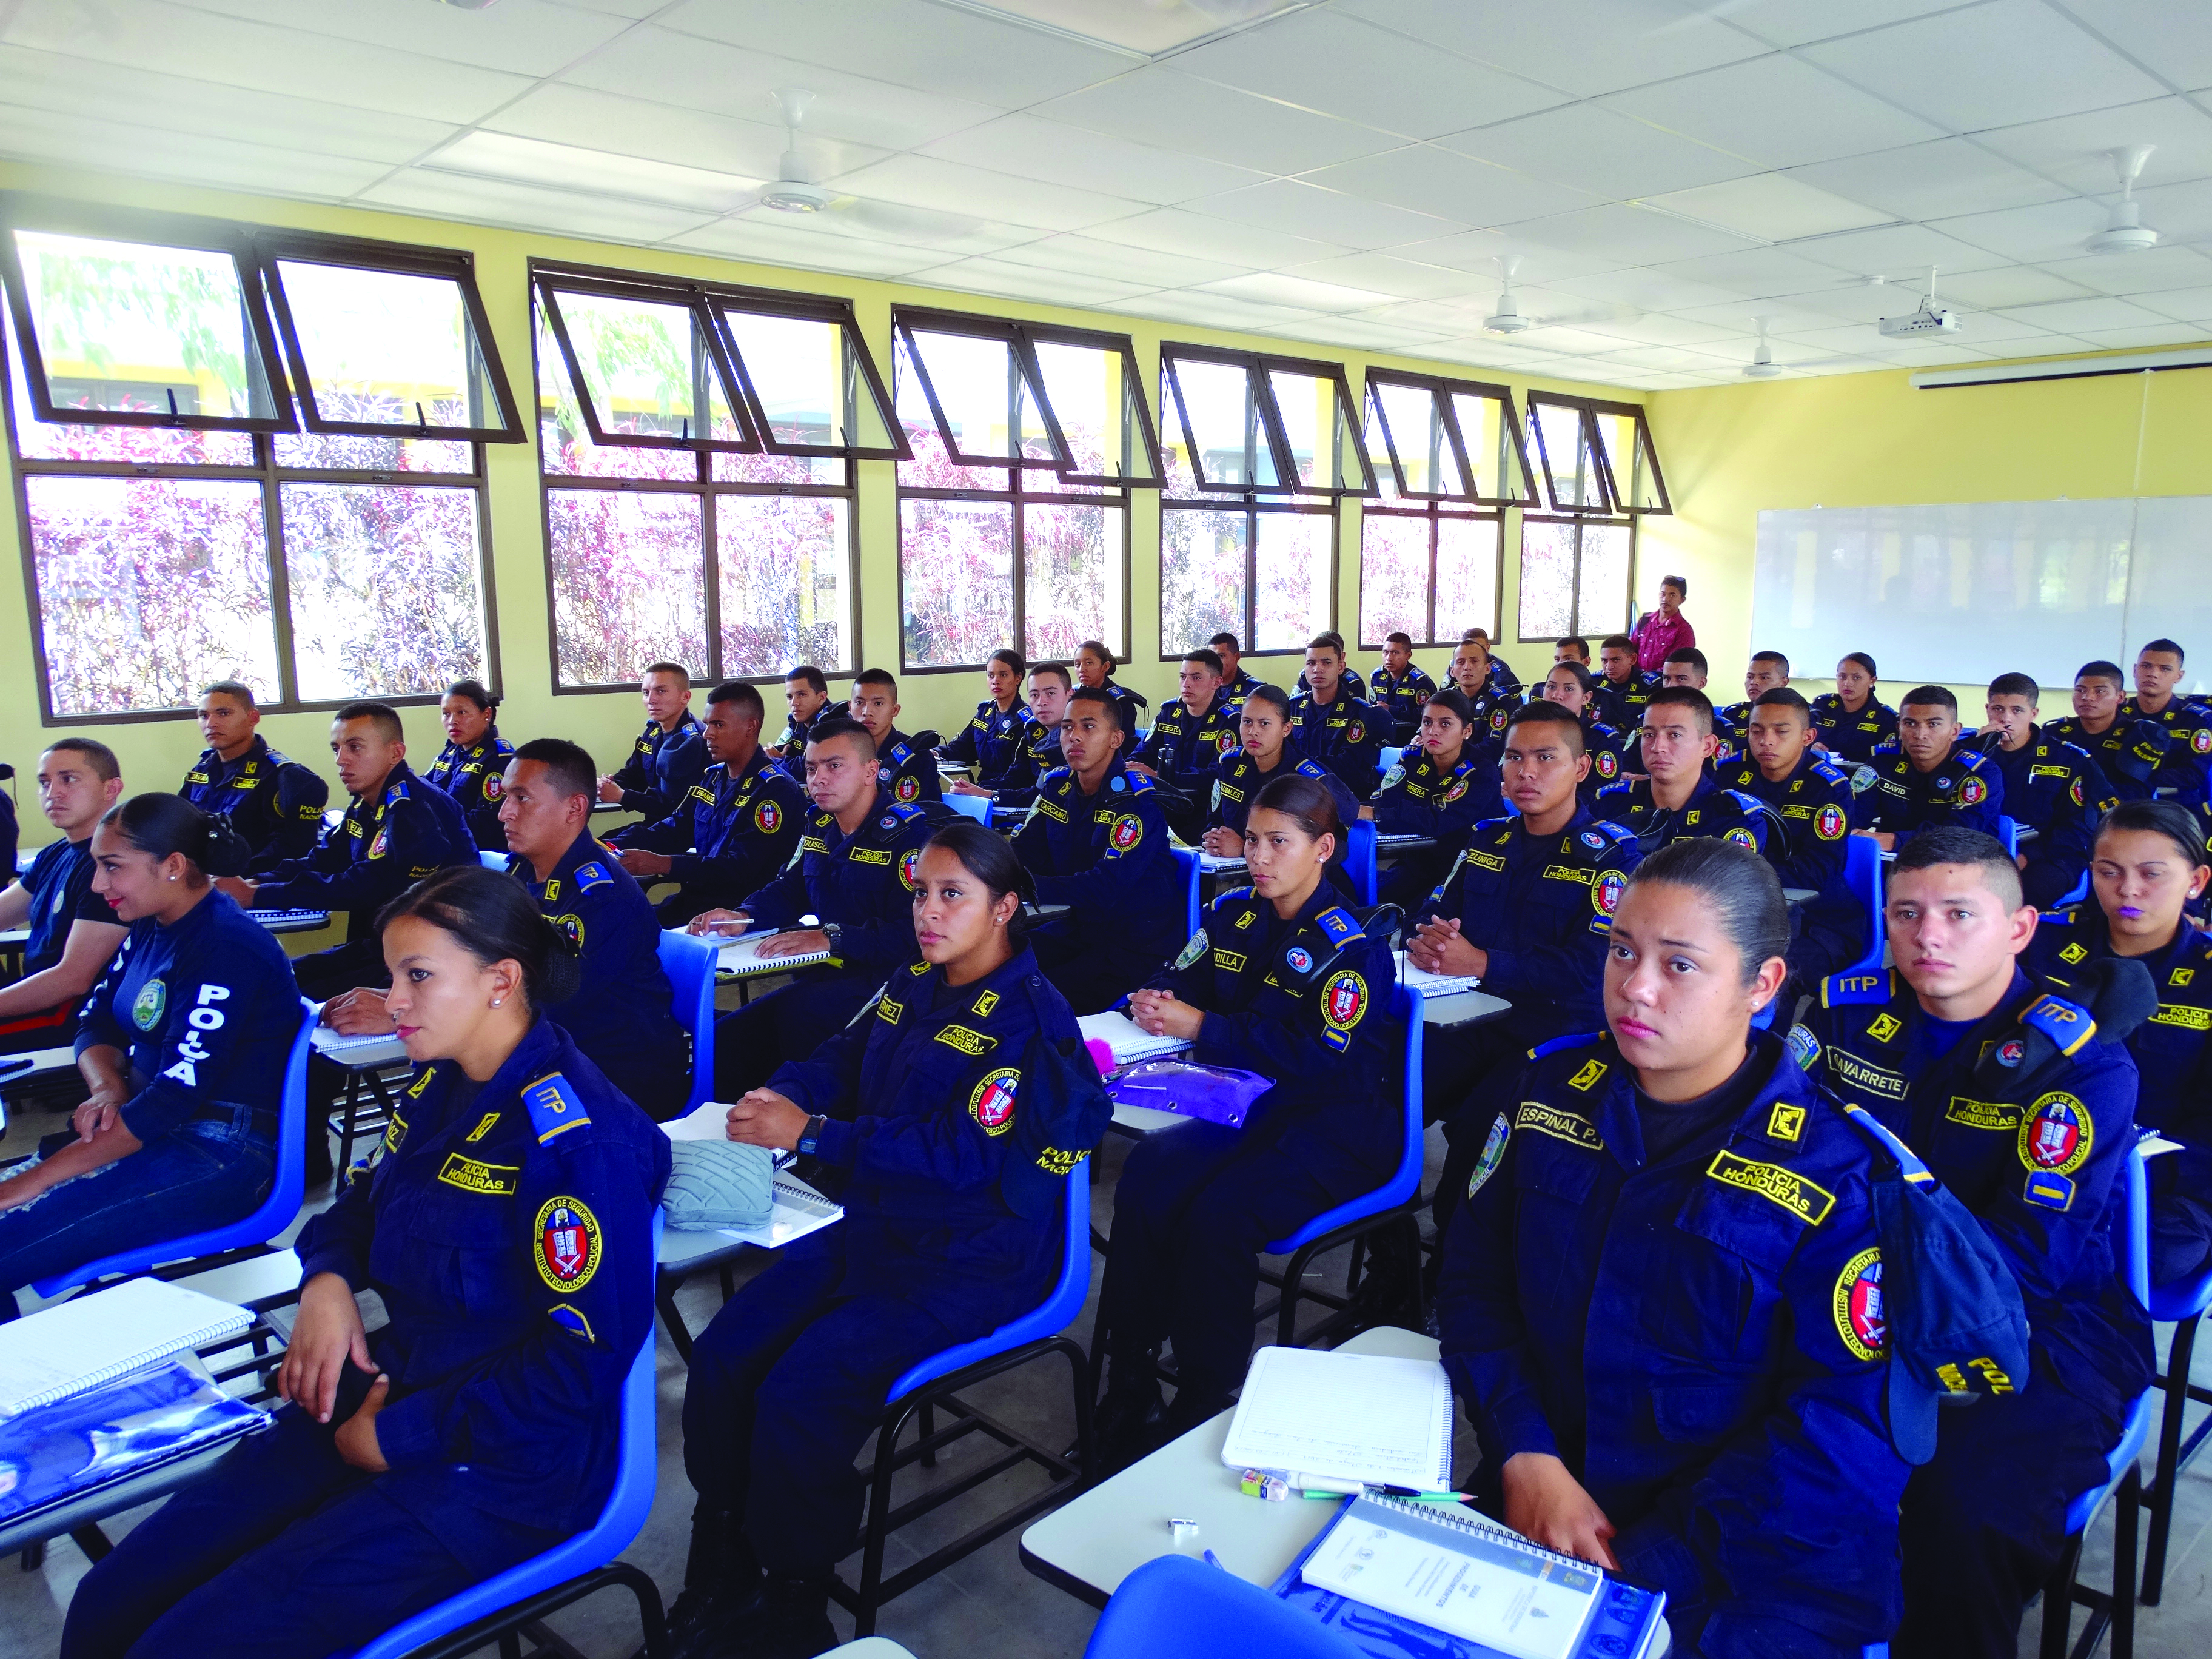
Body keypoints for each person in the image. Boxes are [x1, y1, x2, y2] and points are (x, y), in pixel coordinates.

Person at [63, 865, 669, 1659]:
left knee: (189, 1644)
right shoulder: (438, 1085)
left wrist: (401, 1439)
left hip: (499, 1470)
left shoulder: (579, 1144)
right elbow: (357, 1209)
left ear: (501, 980)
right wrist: (326, 1283)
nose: (396, 1001)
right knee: (110, 1599)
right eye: (393, 976)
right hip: (381, 1389)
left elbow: (580, 1365)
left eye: (418, 976)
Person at [1439, 840, 1906, 1658]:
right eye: (1622, 950)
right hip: (1547, 1497)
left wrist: (1650, 1560)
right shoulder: (1549, 1091)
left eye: (1680, 965)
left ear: (1761, 986)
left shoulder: (1838, 1171)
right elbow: (1474, 1283)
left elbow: (1845, 1426)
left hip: (1750, 1564)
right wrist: (1523, 1450)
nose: (1636, 989)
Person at [669, 823, 1092, 1659]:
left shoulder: (1029, 1024)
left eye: (952, 896)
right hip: (873, 1224)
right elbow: (840, 1054)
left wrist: (816, 1134)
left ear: (1005, 908)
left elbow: (963, 1161)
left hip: (969, 1256)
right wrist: (780, 1095)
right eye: (920, 893)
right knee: (723, 1356)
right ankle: (724, 1551)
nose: (927, 913)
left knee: (800, 1393)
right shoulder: (911, 982)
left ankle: (795, 1596)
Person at [1793, 828, 2153, 1658]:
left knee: (1959, 1515)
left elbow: (2024, 1262)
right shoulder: (1849, 1011)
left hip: (2044, 1326)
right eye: (1907, 913)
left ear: (2020, 929)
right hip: (1847, 1291)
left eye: (1960, 914)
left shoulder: (2080, 1066)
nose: (1929, 937)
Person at [1096, 774, 1402, 1460]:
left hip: (1331, 1127)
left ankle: (1205, 1397)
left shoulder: (1350, 947)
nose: (1259, 857)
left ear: (1323, 848)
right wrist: (1153, 998)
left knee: (1218, 1218)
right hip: (1244, 1106)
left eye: (1278, 843)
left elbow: (1316, 1059)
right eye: (1255, 840)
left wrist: (1204, 1025)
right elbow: (1182, 973)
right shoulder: (1234, 912)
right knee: (1148, 1174)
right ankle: (1133, 1370)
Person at [0, 796, 297, 1316]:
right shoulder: (151, 923)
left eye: (112, 867)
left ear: (174, 866)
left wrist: (29, 1183)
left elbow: (172, 1101)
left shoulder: (225, 945)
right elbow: (94, 1022)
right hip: (149, 1126)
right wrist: (107, 1087)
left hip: (217, 1152)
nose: (97, 884)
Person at [323, 739, 690, 1122]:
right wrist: (408, 992)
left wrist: (407, 1011)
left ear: (575, 808)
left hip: (610, 1075)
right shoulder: (520, 872)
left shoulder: (602, 896)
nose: (504, 813)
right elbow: (475, 966)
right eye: (505, 797)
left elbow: (542, 1004)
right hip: (543, 1055)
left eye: (522, 798)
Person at [1410, 703, 1641, 1227]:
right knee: (1382, 1095)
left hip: (1555, 1034)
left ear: (1581, 769)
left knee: (1477, 1131)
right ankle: (1390, 1258)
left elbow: (1589, 968)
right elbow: (1431, 911)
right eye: (1514, 758)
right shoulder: (1488, 838)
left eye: (1545, 757)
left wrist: (1483, 962)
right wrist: (1430, 941)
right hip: (1467, 1020)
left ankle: (1449, 1276)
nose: (1526, 773)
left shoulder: (1612, 857)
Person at [691, 719, 944, 1099]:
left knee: (799, 1014)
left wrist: (832, 938)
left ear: (870, 772)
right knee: (728, 1037)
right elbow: (791, 889)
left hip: (896, 980)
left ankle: (811, 1125)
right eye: (811, 768)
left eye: (834, 766)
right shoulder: (819, 824)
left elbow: (913, 938)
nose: (818, 779)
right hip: (829, 972)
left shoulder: (911, 838)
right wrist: (743, 915)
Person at [2028, 801, 2212, 1282]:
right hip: (2034, 1151)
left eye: (2152, 874)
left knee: (2141, 1258)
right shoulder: (2041, 946)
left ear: (2196, 882)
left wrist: (2118, 1171)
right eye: (2109, 872)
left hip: (2157, 1179)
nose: (2128, 890)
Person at [218, 702, 474, 1002]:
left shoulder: (412, 807)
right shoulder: (366, 802)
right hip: (381, 945)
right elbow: (324, 860)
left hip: (428, 958)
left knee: (279, 997)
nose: (342, 760)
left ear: (395, 753)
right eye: (336, 749)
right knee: (274, 975)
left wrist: (257, 896)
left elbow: (364, 885)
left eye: (355, 747)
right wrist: (255, 882)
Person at [1011, 686, 1182, 1015]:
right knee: (997, 958)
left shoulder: (1137, 802)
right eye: (1067, 727)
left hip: (1134, 945)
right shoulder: (1057, 786)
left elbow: (1104, 888)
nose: (1074, 737)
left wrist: (1025, 886)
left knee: (1029, 995)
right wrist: (985, 870)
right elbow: (1022, 851)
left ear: (1115, 739)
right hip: (1080, 930)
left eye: (1088, 727)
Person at [609, 682, 806, 925]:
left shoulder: (775, 790)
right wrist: (610, 846)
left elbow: (738, 868)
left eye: (719, 725)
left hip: (738, 914)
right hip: (695, 902)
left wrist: (662, 863)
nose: (707, 734)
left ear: (751, 726)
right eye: (708, 723)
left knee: (632, 939)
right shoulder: (712, 777)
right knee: (614, 923)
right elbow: (674, 829)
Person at [1717, 689, 1866, 990]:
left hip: (1818, 921)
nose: (1766, 740)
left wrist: (1742, 875)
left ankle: (1767, 1040)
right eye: (1756, 731)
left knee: (1771, 981)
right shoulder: (1730, 772)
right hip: (1743, 912)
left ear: (1807, 736)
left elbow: (1819, 871)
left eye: (1781, 732)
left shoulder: (1829, 787)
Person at [0, 741, 127, 1057]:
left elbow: (73, 980)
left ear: (111, 788)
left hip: (77, 1016)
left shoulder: (113, 864)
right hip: (41, 996)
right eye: (44, 782)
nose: (52, 792)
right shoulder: (58, 851)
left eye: (68, 779)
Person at [1974, 672, 2117, 907]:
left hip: (2050, 856)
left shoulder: (2067, 759)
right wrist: (1978, 753)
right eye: (1998, 709)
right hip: (1981, 853)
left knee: (2017, 897)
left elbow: (2078, 827)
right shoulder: (1969, 755)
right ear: (1988, 709)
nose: (2006, 719)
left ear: (2034, 714)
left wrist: (2027, 856)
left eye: (2017, 710)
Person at [1595, 687, 1777, 857]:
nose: (1658, 748)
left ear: (1707, 746)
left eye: (1675, 735)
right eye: (1649, 735)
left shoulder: (1736, 820)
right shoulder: (1610, 805)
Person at [1367, 688, 1501, 905]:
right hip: (1420, 861)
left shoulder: (1481, 772)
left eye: (1445, 724)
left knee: (1418, 920)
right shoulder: (1413, 757)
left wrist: (1374, 814)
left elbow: (1438, 820)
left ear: (1466, 731)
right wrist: (1377, 811)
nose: (1433, 732)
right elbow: (1386, 798)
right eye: (1427, 723)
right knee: (1367, 902)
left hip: (1465, 869)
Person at [178, 680, 327, 870]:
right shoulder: (200, 770)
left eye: (223, 713)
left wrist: (235, 877)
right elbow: (179, 829)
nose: (211, 723)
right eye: (203, 715)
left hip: (254, 886)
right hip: (199, 881)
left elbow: (293, 850)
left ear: (253, 718)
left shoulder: (285, 777)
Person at [1202, 685, 1356, 853]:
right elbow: (1214, 820)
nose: (1253, 732)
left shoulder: (1306, 777)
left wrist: (1246, 849)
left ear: (1286, 729)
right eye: (1247, 722)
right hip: (1231, 870)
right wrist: (1214, 840)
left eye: (1264, 724)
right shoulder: (1230, 764)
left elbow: (1337, 842)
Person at [1859, 686, 2004, 850]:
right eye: (1910, 723)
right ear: (1899, 728)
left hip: (1960, 867)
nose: (1920, 735)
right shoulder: (1882, 761)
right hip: (1890, 864)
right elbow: (1853, 813)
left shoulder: (1980, 773)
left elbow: (1959, 837)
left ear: (1955, 731)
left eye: (1933, 724)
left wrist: (1893, 840)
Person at [1132, 648, 1238, 839]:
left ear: (1217, 682)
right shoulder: (1169, 712)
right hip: (1163, 802)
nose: (1186, 684)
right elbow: (1142, 753)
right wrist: (1130, 767)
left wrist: (1163, 777)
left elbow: (1217, 775)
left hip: (1201, 811)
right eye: (1183, 677)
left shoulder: (1229, 721)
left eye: (1196, 678)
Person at [2045, 659, 2169, 802]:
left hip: (2116, 817)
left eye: (2100, 691)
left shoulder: (2139, 736)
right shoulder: (2054, 733)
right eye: (2080, 690)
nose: (2087, 697)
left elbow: (2136, 793)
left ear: (2120, 697)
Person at [598, 660, 706, 821]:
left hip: (682, 829)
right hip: (656, 825)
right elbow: (635, 775)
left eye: (661, 691)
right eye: (646, 693)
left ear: (685, 697)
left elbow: (672, 804)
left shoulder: (692, 741)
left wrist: (621, 796)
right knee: (600, 843)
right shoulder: (653, 731)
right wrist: (605, 786)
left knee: (605, 845)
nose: (651, 700)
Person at [1287, 634, 1386, 802]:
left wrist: (1297, 764)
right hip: (1301, 793)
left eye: (1326, 663)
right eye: (1311, 663)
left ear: (1341, 667)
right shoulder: (1293, 706)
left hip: (1345, 798)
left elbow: (1350, 768)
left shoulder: (1360, 712)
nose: (1318, 669)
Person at [421, 678, 514, 853]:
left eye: (462, 712)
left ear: (486, 714)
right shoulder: (450, 753)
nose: (452, 721)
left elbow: (487, 824)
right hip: (444, 844)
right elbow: (422, 791)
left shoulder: (499, 758)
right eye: (446, 713)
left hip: (477, 855)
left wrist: (431, 823)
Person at [2122, 637, 2212, 809]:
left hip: (2174, 807)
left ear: (2179, 676)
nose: (2153, 674)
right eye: (2146, 666)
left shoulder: (2197, 719)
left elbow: (2193, 775)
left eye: (2165, 669)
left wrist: (2136, 776)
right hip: (2120, 802)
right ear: (2135, 670)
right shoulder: (2115, 712)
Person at [935, 648, 1030, 793]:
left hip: (1006, 793)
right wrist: (937, 753)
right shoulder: (985, 712)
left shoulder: (1026, 721)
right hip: (982, 789)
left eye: (1003, 675)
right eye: (991, 676)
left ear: (1018, 678)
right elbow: (963, 747)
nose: (996, 681)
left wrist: (980, 790)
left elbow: (1019, 777)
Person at [1537, 662, 1632, 804]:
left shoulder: (1601, 738)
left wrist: (1553, 801)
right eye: (1551, 687)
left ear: (1586, 698)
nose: (1557, 695)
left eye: (1568, 689)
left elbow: (1601, 791)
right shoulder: (1528, 730)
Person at [847, 666, 941, 806]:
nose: (867, 712)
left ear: (895, 710)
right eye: (860, 703)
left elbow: (926, 819)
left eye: (878, 704)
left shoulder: (917, 758)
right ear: (850, 707)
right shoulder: (842, 753)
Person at [989, 663, 1070, 809]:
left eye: (1050, 694)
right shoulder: (1033, 729)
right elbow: (1016, 777)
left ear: (1070, 695)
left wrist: (991, 795)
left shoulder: (1077, 738)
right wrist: (979, 790)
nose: (1041, 702)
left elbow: (1041, 796)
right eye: (1034, 695)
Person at [1810, 651, 1898, 764]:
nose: (1847, 683)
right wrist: (1810, 748)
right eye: (1842, 677)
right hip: (1816, 774)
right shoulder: (1821, 707)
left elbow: (1887, 763)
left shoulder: (1886, 718)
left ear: (1872, 681)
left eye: (1856, 678)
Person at [1655, 646, 1738, 760]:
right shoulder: (1648, 720)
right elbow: (1627, 762)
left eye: (1681, 679)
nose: (1671, 685)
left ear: (1702, 683)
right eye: (1667, 678)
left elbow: (1714, 773)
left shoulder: (1719, 728)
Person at [1445, 634, 1522, 745]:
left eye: (1474, 661)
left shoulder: (1500, 701)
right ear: (1452, 671)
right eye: (1461, 662)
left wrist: (1452, 757)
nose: (1467, 667)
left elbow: (1492, 749)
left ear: (1487, 669)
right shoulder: (1446, 699)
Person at [1367, 631, 1436, 742]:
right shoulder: (1377, 677)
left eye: (1395, 653)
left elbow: (1426, 716)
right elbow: (1372, 707)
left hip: (1410, 738)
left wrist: (1391, 710)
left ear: (1408, 655)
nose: (1389, 658)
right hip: (1382, 736)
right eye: (1385, 652)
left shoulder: (1421, 681)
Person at [771, 666, 835, 785]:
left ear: (821, 698)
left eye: (801, 695)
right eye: (790, 697)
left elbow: (806, 769)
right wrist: (775, 758)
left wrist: (777, 761)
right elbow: (776, 751)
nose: (794, 703)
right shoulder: (796, 720)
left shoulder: (833, 723)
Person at [1076, 639, 1145, 737]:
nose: (1082, 669)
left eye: (1089, 663)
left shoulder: (1120, 700)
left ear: (1105, 666)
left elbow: (1126, 742)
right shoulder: (1072, 695)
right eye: (1077, 665)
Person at [1629, 574, 1694, 674]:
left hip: (1662, 684)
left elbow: (1677, 664)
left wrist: (1650, 678)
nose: (1665, 599)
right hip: (1636, 680)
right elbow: (1630, 648)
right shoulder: (1645, 621)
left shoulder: (1684, 630)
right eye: (1663, 594)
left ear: (1682, 600)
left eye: (1672, 595)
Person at [1592, 634, 1657, 732]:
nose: (1609, 667)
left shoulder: (1650, 686)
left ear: (1632, 659)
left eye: (1616, 660)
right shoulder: (1594, 683)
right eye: (1604, 660)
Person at [1718, 648, 1789, 731]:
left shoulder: (1801, 716)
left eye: (1764, 678)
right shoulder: (1732, 715)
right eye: (1750, 677)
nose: (1754, 682)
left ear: (1783, 682)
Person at [1210, 631, 1260, 707]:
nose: (1215, 662)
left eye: (1221, 656)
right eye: (1212, 657)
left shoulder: (1255, 690)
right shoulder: (1204, 687)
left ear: (1237, 657)